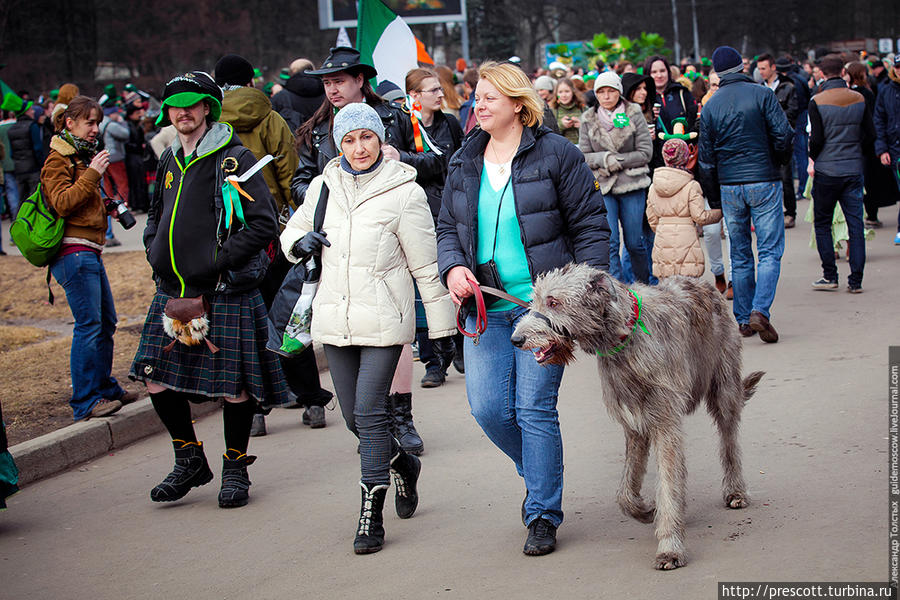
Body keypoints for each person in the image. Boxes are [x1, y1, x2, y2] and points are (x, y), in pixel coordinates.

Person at [437, 61, 610, 556]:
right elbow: (447, 226)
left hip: (544, 311)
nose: (479, 103)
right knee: (489, 409)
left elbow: (591, 227)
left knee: (534, 409)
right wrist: (452, 268)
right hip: (485, 307)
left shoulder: (558, 154)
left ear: (518, 103)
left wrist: (587, 296)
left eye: (490, 96)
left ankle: (542, 514)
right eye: (476, 95)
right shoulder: (464, 159)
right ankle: (539, 470)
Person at [280, 102, 456, 554]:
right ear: (338, 144)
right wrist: (299, 243)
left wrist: (441, 328)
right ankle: (401, 463)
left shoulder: (405, 191)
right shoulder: (322, 187)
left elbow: (426, 265)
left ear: (381, 139)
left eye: (367, 137)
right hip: (334, 319)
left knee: (372, 414)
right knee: (357, 419)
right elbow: (291, 236)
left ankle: (370, 514)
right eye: (349, 139)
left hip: (383, 319)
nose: (359, 148)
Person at [130, 71, 288, 508]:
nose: (183, 112)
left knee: (232, 386)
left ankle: (235, 468)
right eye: (175, 106)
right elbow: (156, 215)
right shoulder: (168, 160)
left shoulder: (232, 158)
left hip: (223, 291)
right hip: (173, 291)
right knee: (153, 377)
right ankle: (189, 459)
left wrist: (216, 261)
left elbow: (262, 224)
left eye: (191, 104)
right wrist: (154, 249)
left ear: (207, 108)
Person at [290, 46, 435, 454]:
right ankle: (373, 425)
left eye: (339, 80)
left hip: (392, 235)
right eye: (326, 83)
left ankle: (400, 417)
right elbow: (300, 181)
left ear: (360, 80)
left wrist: (398, 157)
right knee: (352, 335)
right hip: (340, 242)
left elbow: (433, 165)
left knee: (394, 331)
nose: (332, 89)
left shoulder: (397, 117)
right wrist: (324, 200)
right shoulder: (315, 130)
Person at [214, 53, 330, 435]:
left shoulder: (211, 122)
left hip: (230, 236)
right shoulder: (271, 118)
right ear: (251, 81)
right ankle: (312, 400)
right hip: (273, 233)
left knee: (249, 322)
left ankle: (258, 409)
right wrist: (294, 222)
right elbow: (288, 172)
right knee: (288, 314)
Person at [42, 96, 135, 420]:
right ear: (70, 123)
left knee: (106, 322)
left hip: (90, 250)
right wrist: (93, 174)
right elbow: (62, 203)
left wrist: (106, 204)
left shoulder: (82, 156)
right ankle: (84, 400)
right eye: (89, 123)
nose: (96, 129)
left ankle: (105, 387)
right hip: (73, 252)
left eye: (97, 122)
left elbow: (82, 200)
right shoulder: (58, 159)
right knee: (89, 325)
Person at [699, 46, 794, 343]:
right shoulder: (762, 94)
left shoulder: (712, 105)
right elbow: (784, 135)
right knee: (769, 250)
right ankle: (760, 310)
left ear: (716, 72)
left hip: (730, 184)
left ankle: (743, 318)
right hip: (763, 178)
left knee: (739, 253)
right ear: (742, 66)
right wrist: (776, 163)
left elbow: (706, 158)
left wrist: (714, 197)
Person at [404, 67, 465, 389]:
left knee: (454, 277)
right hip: (415, 217)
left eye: (440, 89)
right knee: (423, 290)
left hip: (450, 210)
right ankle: (433, 361)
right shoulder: (401, 124)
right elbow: (397, 166)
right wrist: (424, 161)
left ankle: (460, 345)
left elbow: (453, 161)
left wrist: (420, 161)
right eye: (433, 91)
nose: (441, 95)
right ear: (414, 96)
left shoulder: (450, 123)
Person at [807, 55, 875, 293]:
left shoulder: (817, 100)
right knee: (856, 225)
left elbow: (816, 139)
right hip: (853, 168)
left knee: (823, 223)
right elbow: (870, 135)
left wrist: (813, 156)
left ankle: (830, 275)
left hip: (827, 170)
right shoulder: (859, 98)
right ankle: (856, 280)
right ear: (843, 73)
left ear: (823, 74)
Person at [579, 70, 653, 284]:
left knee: (634, 242)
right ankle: (617, 291)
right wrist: (604, 159)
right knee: (610, 242)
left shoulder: (633, 113)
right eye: (601, 92)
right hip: (603, 185)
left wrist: (617, 160)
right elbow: (583, 155)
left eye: (611, 91)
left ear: (619, 92)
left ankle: (643, 286)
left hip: (632, 184)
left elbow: (645, 152)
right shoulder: (588, 118)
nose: (606, 96)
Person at [646, 138, 722, 277]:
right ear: (686, 158)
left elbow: (651, 218)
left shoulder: (653, 187)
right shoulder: (691, 186)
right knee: (689, 288)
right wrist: (720, 213)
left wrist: (664, 227)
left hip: (663, 241)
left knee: (667, 289)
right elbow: (700, 216)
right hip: (687, 239)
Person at [846, 61, 897, 228]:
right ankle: (870, 215)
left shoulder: (865, 94)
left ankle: (869, 215)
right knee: (867, 182)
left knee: (865, 183)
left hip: (861, 145)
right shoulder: (874, 92)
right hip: (866, 145)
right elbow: (877, 119)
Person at [757, 54, 800, 228]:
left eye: (763, 68)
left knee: (786, 177)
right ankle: (773, 213)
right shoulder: (758, 88)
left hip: (782, 137)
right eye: (759, 69)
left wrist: (775, 119)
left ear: (773, 67)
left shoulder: (787, 86)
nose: (761, 72)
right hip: (764, 139)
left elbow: (793, 111)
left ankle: (790, 212)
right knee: (768, 178)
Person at [873, 55, 900, 245]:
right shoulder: (886, 90)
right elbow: (879, 120)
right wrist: (882, 149)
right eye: (897, 67)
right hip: (895, 147)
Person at [3, 92, 44, 199]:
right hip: (33, 170)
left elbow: (12, 153)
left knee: (22, 200)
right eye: (30, 109)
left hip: (19, 171)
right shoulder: (32, 126)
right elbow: (38, 149)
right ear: (25, 112)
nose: (33, 111)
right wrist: (42, 165)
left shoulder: (12, 129)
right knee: (36, 200)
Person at [270, 58, 326, 133]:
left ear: (291, 73)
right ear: (313, 70)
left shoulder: (281, 97)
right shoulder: (329, 93)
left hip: (293, 140)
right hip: (324, 139)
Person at [551, 77, 585, 145]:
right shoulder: (553, 111)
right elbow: (549, 135)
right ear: (556, 94)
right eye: (560, 92)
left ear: (573, 92)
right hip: (562, 149)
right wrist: (561, 125)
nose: (564, 95)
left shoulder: (582, 108)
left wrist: (582, 125)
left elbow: (592, 130)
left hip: (582, 147)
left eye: (567, 91)